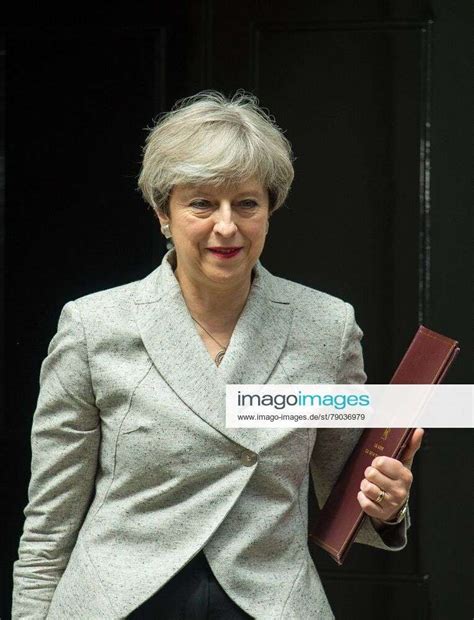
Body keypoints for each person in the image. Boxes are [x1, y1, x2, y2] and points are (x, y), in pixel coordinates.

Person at [12, 90, 423, 619]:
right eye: (202, 203)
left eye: (246, 203)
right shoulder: (95, 326)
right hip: (120, 603)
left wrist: (387, 506)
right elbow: (50, 518)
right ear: (164, 212)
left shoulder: (326, 325)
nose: (226, 226)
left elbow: (346, 494)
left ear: (270, 209)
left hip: (270, 601)